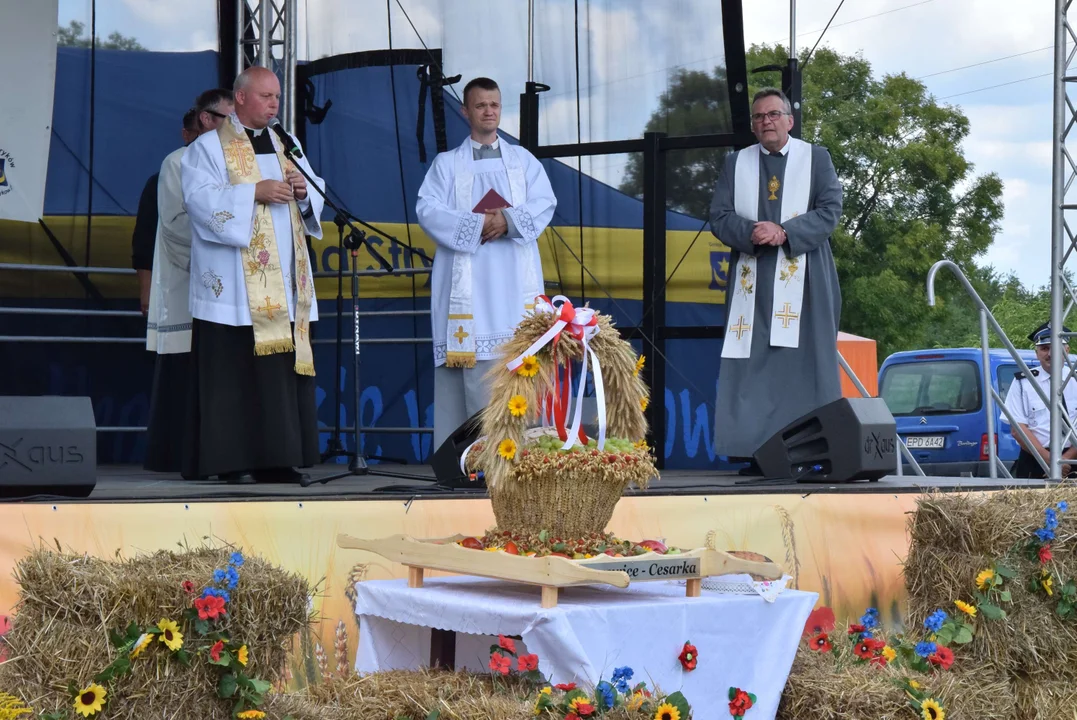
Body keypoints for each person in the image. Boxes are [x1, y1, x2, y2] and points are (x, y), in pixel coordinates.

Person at [181, 66, 325, 484]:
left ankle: (280, 458)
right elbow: (198, 200)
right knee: (235, 375)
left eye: (277, 97)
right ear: (240, 98)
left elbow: (316, 188)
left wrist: (303, 192)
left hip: (285, 282)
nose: (274, 104)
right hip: (236, 290)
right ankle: (234, 461)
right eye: (265, 96)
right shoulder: (208, 147)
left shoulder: (287, 142)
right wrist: (253, 193)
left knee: (280, 375)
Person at [416, 77, 557, 448]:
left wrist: (506, 221)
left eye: (494, 104)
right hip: (469, 290)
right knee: (468, 369)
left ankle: (525, 458)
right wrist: (480, 223)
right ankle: (463, 461)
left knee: (520, 365)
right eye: (480, 105)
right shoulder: (447, 165)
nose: (489, 111)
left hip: (514, 286)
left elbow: (544, 203)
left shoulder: (522, 161)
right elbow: (427, 209)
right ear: (466, 111)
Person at [709, 88, 844, 474]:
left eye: (772, 115)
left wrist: (784, 232)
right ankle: (757, 452)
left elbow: (831, 209)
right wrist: (751, 232)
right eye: (758, 117)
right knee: (751, 366)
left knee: (807, 364)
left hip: (806, 277)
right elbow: (719, 215)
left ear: (790, 119)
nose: (765, 122)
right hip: (752, 282)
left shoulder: (816, 158)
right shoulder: (735, 163)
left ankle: (813, 453)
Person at [143, 90, 233, 474]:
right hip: (193, 277)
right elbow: (177, 225)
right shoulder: (178, 163)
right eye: (229, 118)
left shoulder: (242, 164)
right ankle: (181, 455)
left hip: (236, 286)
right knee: (185, 370)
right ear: (206, 120)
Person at [132, 111, 201, 315]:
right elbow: (145, 237)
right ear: (186, 135)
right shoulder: (166, 174)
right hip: (175, 280)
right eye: (200, 135)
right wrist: (146, 289)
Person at [1004, 323, 1077, 478]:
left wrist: (1066, 459)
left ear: (1067, 350)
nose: (1050, 353)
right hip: (1035, 459)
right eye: (1044, 348)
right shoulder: (1023, 382)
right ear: (1036, 353)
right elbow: (1017, 429)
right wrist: (1049, 459)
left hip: (1073, 460)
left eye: (1056, 348)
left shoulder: (1075, 380)